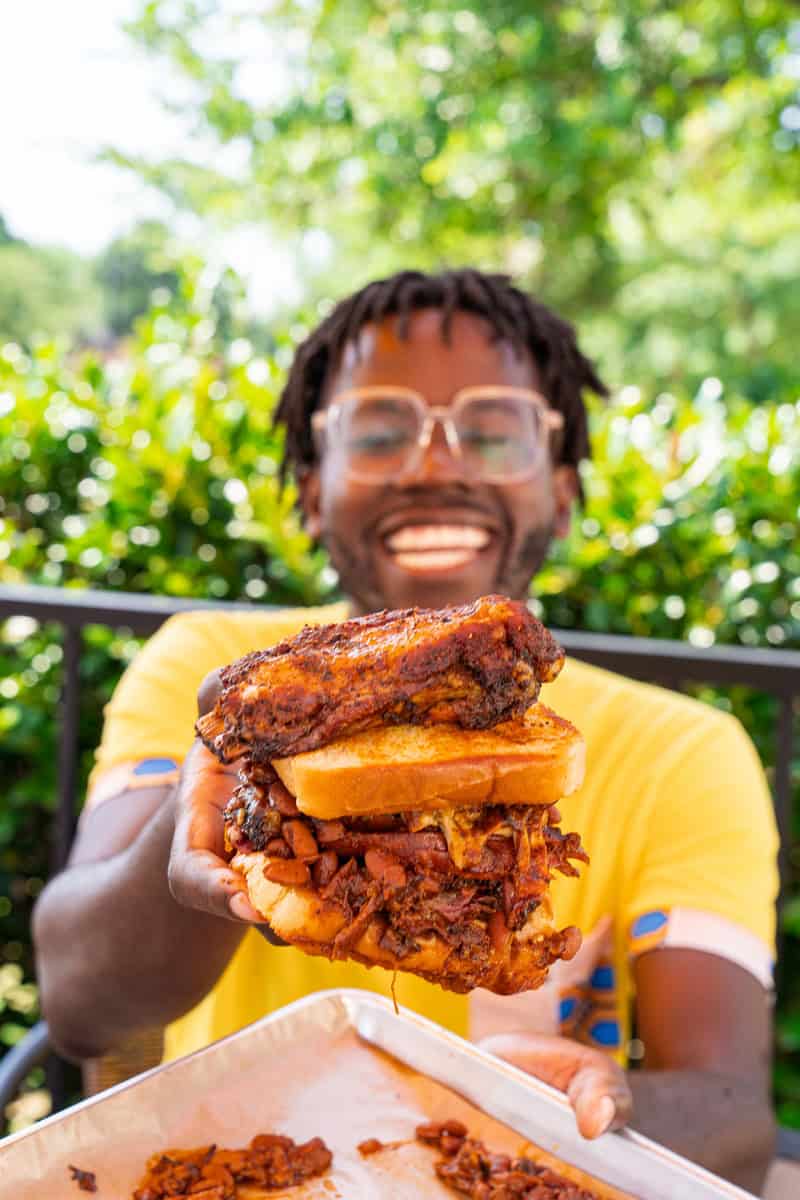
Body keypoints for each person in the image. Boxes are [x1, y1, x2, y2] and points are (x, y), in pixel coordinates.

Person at [33, 270, 778, 1191]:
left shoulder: (683, 750)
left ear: (564, 488)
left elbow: (737, 1111)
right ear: (310, 490)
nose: (434, 465)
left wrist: (590, 1101)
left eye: (493, 431)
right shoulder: (215, 673)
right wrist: (225, 798)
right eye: (378, 433)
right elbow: (78, 1008)